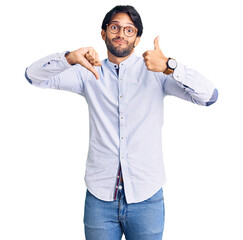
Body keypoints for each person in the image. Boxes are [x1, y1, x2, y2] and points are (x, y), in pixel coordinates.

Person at [24, 5, 218, 240]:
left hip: (147, 198)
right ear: (104, 33)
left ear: (137, 39)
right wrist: (69, 58)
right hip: (100, 198)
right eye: (115, 27)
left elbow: (209, 97)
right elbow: (33, 76)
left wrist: (170, 66)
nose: (121, 34)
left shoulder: (156, 73)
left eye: (129, 30)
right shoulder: (88, 73)